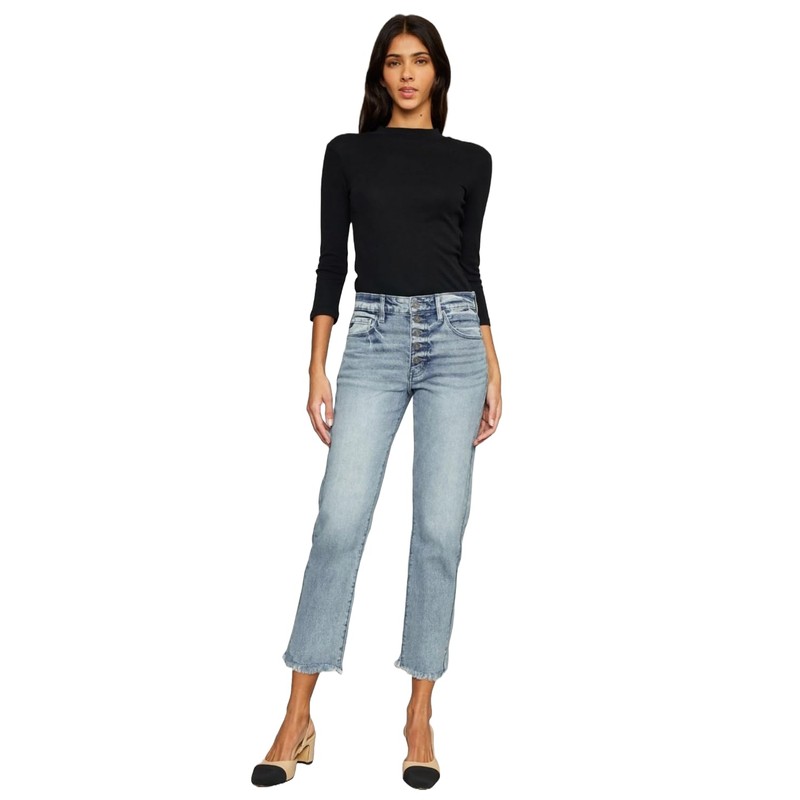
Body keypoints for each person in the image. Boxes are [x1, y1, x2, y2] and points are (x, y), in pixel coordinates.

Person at [251, 13, 502, 790]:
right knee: (339, 521)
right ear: (379, 74)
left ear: (438, 74)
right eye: (394, 62)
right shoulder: (347, 153)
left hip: (456, 345)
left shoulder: (472, 161)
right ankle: (297, 714)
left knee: (439, 531)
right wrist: (316, 365)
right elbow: (332, 261)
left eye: (419, 61)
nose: (407, 74)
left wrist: (494, 364)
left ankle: (419, 715)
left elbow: (469, 265)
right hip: (374, 339)